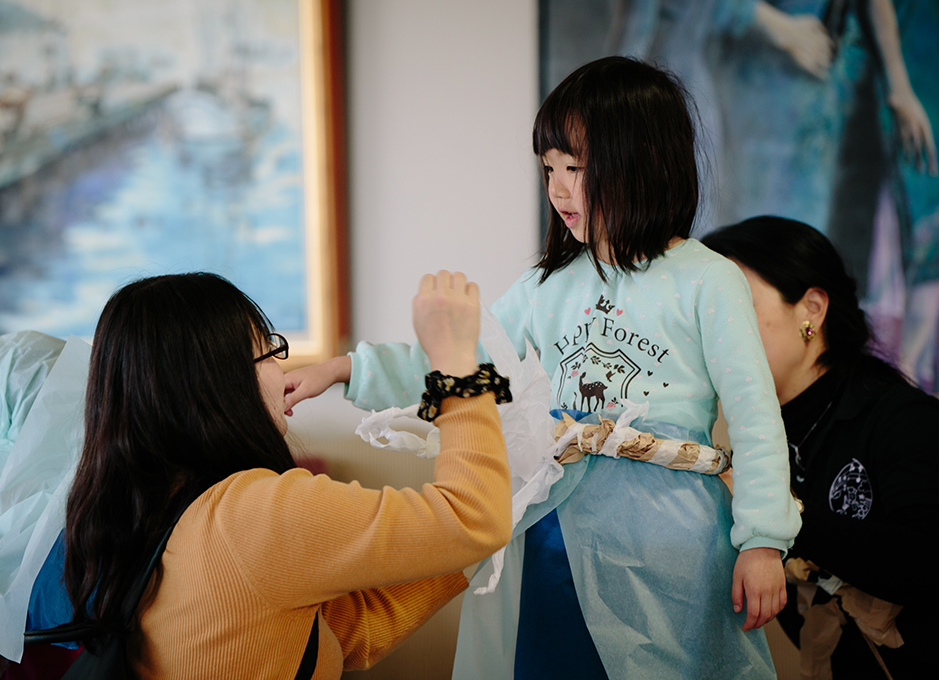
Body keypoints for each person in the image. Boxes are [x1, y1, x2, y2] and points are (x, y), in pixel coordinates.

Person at [285, 57, 800, 679]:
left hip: (671, 542)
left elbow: (755, 418)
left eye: (575, 168)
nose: (557, 189)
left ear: (645, 161)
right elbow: (466, 364)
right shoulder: (546, 285)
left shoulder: (707, 278)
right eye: (549, 169)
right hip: (556, 532)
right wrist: (344, 368)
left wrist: (764, 541)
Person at [62, 271, 513, 679]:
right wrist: (455, 363)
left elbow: (345, 632)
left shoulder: (149, 502)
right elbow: (472, 516)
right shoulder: (253, 513)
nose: (281, 373)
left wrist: (468, 538)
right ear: (219, 384)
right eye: (268, 354)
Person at [703, 215, 937, 679]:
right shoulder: (759, 438)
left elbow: (923, 562)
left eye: (735, 308)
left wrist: (778, 512)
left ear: (811, 308)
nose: (717, 334)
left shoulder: (901, 419)